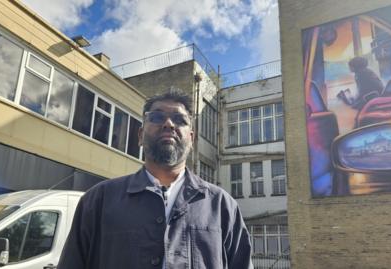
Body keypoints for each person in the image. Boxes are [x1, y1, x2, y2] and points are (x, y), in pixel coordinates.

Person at [58, 89, 253, 269]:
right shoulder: (97, 201)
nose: (169, 124)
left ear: (191, 139)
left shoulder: (222, 206)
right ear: (141, 136)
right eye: (158, 117)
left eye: (180, 120)